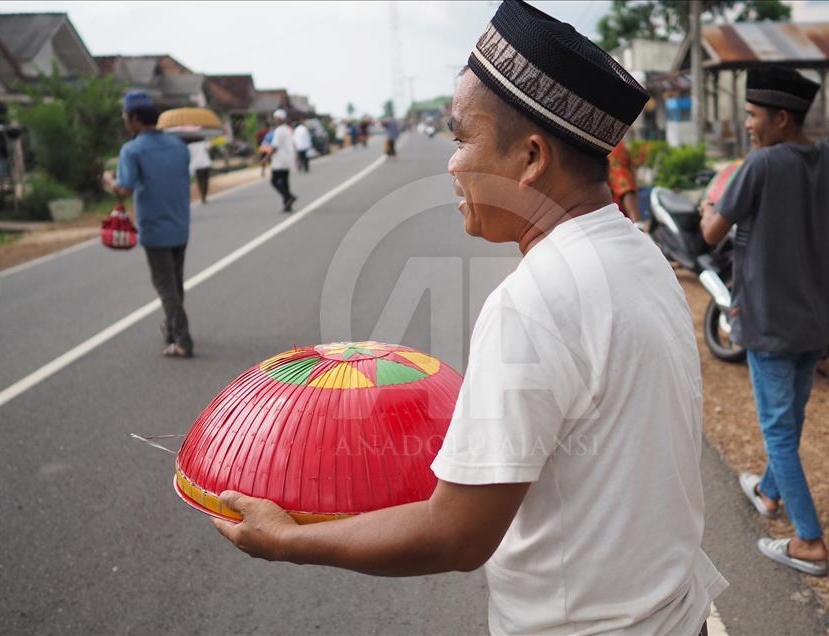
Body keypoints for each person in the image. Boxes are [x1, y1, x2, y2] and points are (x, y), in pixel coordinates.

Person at [213, 2, 726, 634]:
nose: (451, 164)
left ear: (531, 157)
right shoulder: (635, 250)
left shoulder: (535, 300)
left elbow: (455, 536)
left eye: (461, 138)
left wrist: (288, 540)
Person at [700, 65, 829, 577]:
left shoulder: (761, 166)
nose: (747, 124)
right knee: (791, 420)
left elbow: (711, 234)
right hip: (819, 321)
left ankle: (810, 542)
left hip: (770, 324)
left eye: (752, 114)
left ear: (781, 119)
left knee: (779, 431)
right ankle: (768, 493)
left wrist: (707, 209)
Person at [106, 90, 193, 358]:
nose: (123, 118)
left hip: (155, 228)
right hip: (180, 224)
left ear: (133, 118)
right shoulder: (178, 145)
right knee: (175, 282)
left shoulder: (132, 149)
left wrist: (108, 180)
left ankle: (182, 339)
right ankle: (170, 329)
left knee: (165, 285)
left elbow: (124, 189)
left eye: (124, 114)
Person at [266, 109, 297, 212]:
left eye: (275, 118)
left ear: (279, 118)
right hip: (288, 160)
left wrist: (266, 158)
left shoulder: (279, 130)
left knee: (274, 181)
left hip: (279, 161)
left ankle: (288, 196)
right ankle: (287, 205)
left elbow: (275, 146)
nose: (275, 120)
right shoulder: (288, 129)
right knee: (284, 182)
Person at [607, 139, 641, 223]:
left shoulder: (613, 148)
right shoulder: (611, 146)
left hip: (617, 220)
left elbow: (625, 187)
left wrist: (637, 224)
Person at [188, 139, 212, 203]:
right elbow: (209, 149)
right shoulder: (204, 142)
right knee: (205, 180)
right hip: (205, 163)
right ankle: (204, 194)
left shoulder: (190, 145)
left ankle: (202, 195)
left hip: (197, 164)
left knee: (200, 180)